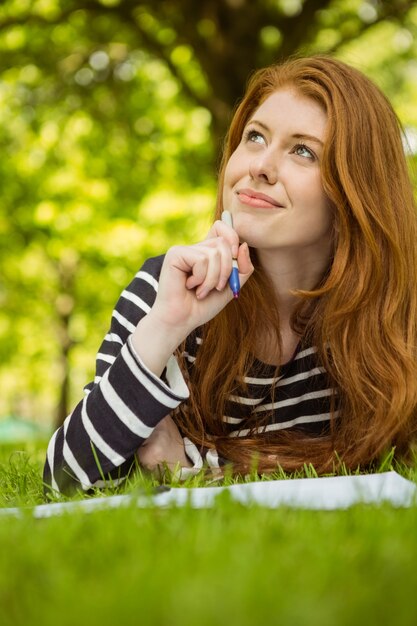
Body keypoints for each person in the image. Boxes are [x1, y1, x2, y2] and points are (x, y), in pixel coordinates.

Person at [43, 55, 417, 495]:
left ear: (355, 193)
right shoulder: (166, 288)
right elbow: (64, 479)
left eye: (303, 151)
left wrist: (188, 463)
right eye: (255, 137)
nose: (260, 166)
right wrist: (164, 329)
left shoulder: (392, 310)